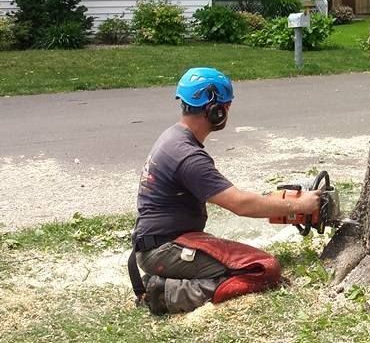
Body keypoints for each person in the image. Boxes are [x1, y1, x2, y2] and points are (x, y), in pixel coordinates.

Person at [129, 67, 321, 315]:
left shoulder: (173, 137)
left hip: (161, 242)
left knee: (241, 259)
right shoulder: (188, 156)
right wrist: (299, 205)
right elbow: (240, 204)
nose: (227, 112)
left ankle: (167, 283)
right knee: (263, 268)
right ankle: (165, 294)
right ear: (216, 110)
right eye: (226, 106)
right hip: (164, 249)